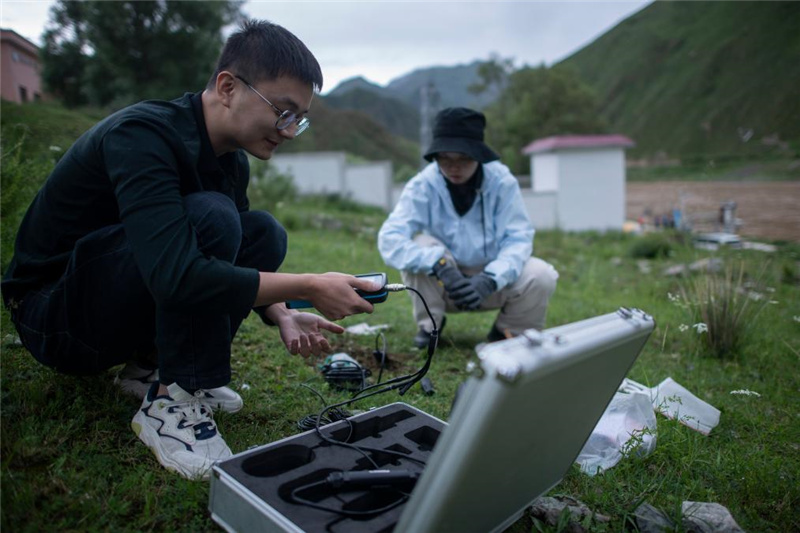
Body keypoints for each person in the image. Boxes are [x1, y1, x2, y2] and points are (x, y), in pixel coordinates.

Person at [1, 20, 381, 480]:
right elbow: (177, 275)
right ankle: (170, 405)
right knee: (213, 218)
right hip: (52, 318)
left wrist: (282, 312)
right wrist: (310, 284)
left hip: (107, 300)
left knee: (262, 233)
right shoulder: (142, 135)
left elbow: (235, 257)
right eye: (282, 112)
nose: (288, 131)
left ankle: (151, 370)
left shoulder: (230, 161)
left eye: (297, 119)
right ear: (227, 87)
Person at [378, 107, 558, 349]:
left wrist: (490, 279)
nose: (454, 167)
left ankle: (506, 334)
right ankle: (430, 326)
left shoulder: (502, 182)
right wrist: (439, 266)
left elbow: (518, 238)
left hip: (492, 281)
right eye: (445, 158)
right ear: (436, 156)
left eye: (464, 158)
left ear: (478, 155)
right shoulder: (422, 185)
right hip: (444, 283)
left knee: (541, 275)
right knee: (419, 246)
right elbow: (390, 238)